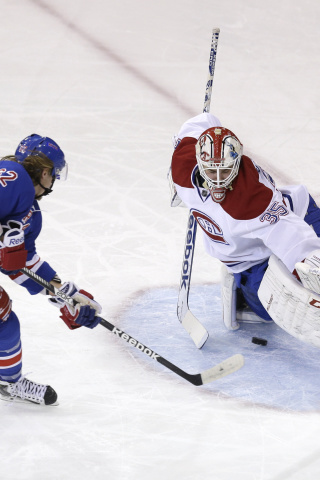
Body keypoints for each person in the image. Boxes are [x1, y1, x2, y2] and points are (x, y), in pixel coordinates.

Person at [169, 113, 320, 348]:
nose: (218, 181)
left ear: (237, 163)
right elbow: (200, 123)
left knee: (308, 279)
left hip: (296, 216)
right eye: (211, 172)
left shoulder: (249, 199)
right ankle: (242, 290)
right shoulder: (182, 163)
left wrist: (311, 264)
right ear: (198, 162)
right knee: (273, 312)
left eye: (226, 171)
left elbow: (293, 237)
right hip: (249, 258)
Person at [0, 135, 101, 406]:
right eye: (54, 174)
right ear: (45, 172)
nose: (53, 179)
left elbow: (21, 264)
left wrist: (67, 295)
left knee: (3, 317)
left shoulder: (30, 212)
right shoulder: (14, 178)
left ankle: (8, 383)